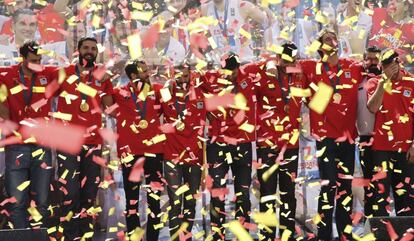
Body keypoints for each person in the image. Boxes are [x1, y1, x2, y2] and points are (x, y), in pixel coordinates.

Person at [300, 29, 365, 241]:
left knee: (345, 187)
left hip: (347, 137)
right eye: (326, 39)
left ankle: (345, 234)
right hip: (325, 137)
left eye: (333, 38)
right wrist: (325, 94)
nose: (331, 41)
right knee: (329, 186)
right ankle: (325, 235)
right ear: (319, 46)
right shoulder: (310, 67)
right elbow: (310, 102)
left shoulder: (353, 67)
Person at [53, 37, 114, 240]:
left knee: (89, 193)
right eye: (86, 48)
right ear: (78, 50)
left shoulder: (102, 75)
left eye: (93, 49)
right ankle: (70, 236)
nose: (90, 51)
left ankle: (86, 235)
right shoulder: (64, 73)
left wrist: (107, 84)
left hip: (93, 143)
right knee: (69, 193)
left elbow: (109, 108)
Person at [0, 40, 57, 228]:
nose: (37, 64)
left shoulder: (47, 74)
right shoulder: (6, 76)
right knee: (17, 202)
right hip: (16, 146)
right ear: (22, 58)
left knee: (40, 202)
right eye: (33, 60)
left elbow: (73, 74)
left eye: (39, 59)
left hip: (42, 145)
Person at [202, 53, 257, 240]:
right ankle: (218, 236)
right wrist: (208, 115)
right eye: (228, 70)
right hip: (218, 145)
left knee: (243, 194)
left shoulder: (248, 79)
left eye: (234, 70)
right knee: (218, 193)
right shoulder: (210, 80)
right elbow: (193, 93)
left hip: (242, 143)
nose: (232, 74)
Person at [112, 59, 164, 240]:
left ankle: (153, 238)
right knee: (131, 200)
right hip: (129, 153)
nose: (148, 73)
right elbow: (107, 106)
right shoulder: (119, 92)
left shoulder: (157, 90)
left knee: (154, 199)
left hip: (154, 151)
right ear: (133, 75)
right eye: (144, 71)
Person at [256, 42, 302, 241]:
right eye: (283, 60)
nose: (286, 64)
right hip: (267, 145)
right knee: (267, 193)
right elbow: (244, 70)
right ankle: (266, 236)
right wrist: (267, 64)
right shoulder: (265, 73)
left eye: (290, 60)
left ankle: (287, 235)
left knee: (288, 194)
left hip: (290, 145)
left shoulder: (300, 77)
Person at [160, 62, 206, 241]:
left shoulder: (200, 93)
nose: (182, 79)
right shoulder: (165, 93)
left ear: (191, 76)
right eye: (178, 76)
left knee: (190, 201)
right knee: (174, 201)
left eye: (185, 76)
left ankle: (186, 238)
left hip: (194, 156)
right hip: (172, 155)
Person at [366, 48, 414, 217]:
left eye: (391, 65)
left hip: (406, 150)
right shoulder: (375, 82)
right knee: (380, 197)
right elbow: (372, 107)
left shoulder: (412, 81)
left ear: (398, 63)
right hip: (382, 149)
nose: (388, 69)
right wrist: (383, 82)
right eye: (384, 66)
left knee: (407, 200)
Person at [200, 0, 273, 63]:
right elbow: (207, 33)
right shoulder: (204, 9)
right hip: (220, 64)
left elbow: (268, 23)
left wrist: (266, 51)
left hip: (244, 62)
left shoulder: (242, 6)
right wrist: (215, 48)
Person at [357, 46, 381, 219]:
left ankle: (386, 224)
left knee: (383, 184)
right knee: (368, 183)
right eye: (369, 58)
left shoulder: (387, 79)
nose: (372, 62)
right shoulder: (356, 79)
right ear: (363, 60)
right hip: (364, 138)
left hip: (385, 139)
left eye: (375, 59)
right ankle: (370, 224)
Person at [0, 8, 65, 66]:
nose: (28, 29)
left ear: (36, 27)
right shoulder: (2, 48)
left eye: (32, 24)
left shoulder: (46, 46)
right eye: (23, 24)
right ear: (13, 26)